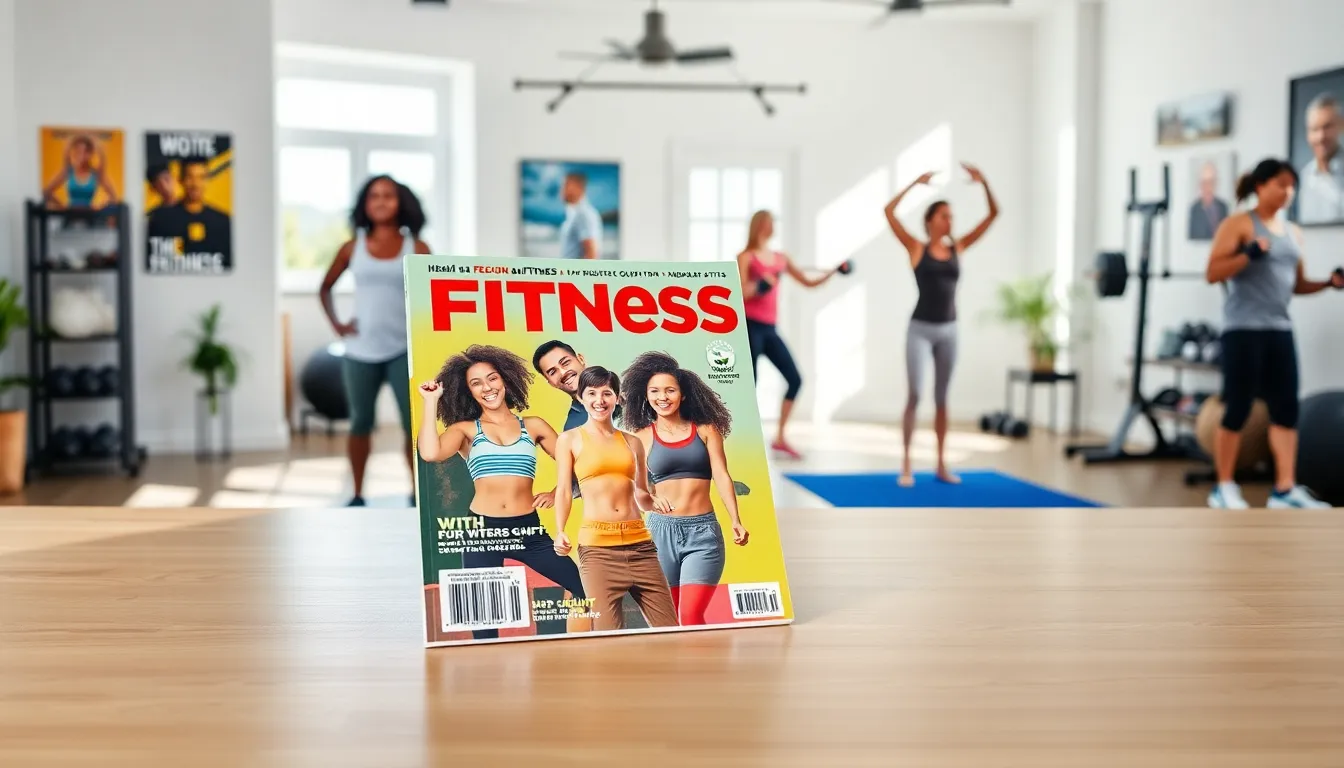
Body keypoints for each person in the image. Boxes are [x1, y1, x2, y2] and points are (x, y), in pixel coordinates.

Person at [416, 344, 590, 638]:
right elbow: (431, 453)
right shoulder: (465, 430)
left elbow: (580, 462)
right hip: (482, 531)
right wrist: (431, 401)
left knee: (583, 586)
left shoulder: (533, 426)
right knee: (482, 622)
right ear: (468, 391)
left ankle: (583, 646)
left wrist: (558, 490)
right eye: (476, 383)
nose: (487, 387)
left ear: (505, 380)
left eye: (492, 378)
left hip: (528, 530)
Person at [1203, 158, 1344, 509]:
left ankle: (1284, 489)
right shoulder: (1238, 224)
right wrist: (1247, 255)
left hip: (1279, 329)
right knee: (1237, 408)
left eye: (1292, 186)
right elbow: (1213, 271)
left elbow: (1296, 284)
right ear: (1261, 185)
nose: (1288, 191)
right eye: (1281, 184)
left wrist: (1328, 282)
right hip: (1242, 330)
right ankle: (1223, 487)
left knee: (1286, 410)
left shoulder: (1293, 232)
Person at [883, 163, 999, 486]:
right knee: (915, 395)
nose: (951, 221)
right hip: (920, 330)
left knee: (942, 398)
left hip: (949, 330)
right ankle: (906, 465)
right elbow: (888, 212)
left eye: (952, 216)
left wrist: (984, 182)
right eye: (945, 215)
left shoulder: (957, 248)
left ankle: (940, 464)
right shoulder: (916, 248)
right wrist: (913, 183)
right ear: (931, 220)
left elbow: (992, 216)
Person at [320, 175, 429, 507]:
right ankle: (356, 493)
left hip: (403, 351)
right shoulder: (352, 247)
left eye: (388, 196)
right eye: (374, 196)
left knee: (413, 426)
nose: (381, 201)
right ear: (365, 205)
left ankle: (417, 493)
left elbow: (431, 298)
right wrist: (338, 325)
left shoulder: (418, 248)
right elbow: (324, 288)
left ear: (401, 203)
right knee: (360, 423)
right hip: (360, 352)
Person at [621, 352, 748, 626]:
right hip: (658, 532)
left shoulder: (706, 430)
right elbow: (634, 487)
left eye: (670, 390)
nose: (662, 397)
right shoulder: (641, 438)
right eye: (654, 391)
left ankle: (701, 669)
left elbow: (722, 475)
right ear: (645, 396)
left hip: (703, 533)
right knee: (665, 620)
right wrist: (651, 499)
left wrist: (735, 520)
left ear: (683, 395)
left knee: (690, 616)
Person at [553, 367, 679, 631]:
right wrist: (560, 531)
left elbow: (642, 495)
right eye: (592, 393)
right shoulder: (569, 440)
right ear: (580, 398)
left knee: (670, 629)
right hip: (598, 552)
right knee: (607, 637)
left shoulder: (633, 442)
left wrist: (654, 501)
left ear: (617, 397)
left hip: (641, 546)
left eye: (607, 393)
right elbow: (564, 490)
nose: (600, 400)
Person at [736, 210, 843, 460]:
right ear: (761, 225)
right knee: (748, 388)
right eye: (770, 222)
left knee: (795, 380)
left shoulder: (780, 259)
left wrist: (834, 271)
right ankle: (741, 444)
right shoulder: (746, 257)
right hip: (749, 327)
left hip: (770, 329)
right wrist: (761, 285)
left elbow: (808, 282)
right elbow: (740, 292)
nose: (773, 226)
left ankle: (781, 438)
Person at [145, 157, 232, 269]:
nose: (195, 184)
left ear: (207, 180)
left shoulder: (224, 222)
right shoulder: (160, 220)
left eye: (201, 177)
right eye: (190, 177)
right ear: (180, 180)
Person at [1296, 93, 1344, 225]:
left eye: (1327, 127)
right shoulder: (1303, 177)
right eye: (1314, 129)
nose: (1321, 136)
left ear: (1341, 126)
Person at [42, 135, 118, 209]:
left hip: (89, 218)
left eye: (85, 152)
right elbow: (46, 192)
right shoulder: (68, 171)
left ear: (90, 154)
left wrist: (99, 210)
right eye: (78, 151)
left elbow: (113, 197)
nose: (81, 156)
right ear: (74, 152)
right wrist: (62, 207)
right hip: (70, 217)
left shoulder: (96, 174)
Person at [558, 171, 602, 260]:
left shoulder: (583, 215)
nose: (561, 190)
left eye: (566, 185)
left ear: (579, 188)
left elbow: (591, 255)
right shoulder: (576, 214)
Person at [1188, 160, 1229, 241]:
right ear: (1200, 184)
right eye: (1205, 183)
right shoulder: (1194, 209)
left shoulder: (1223, 207)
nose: (1208, 187)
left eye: (1211, 182)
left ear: (1216, 183)